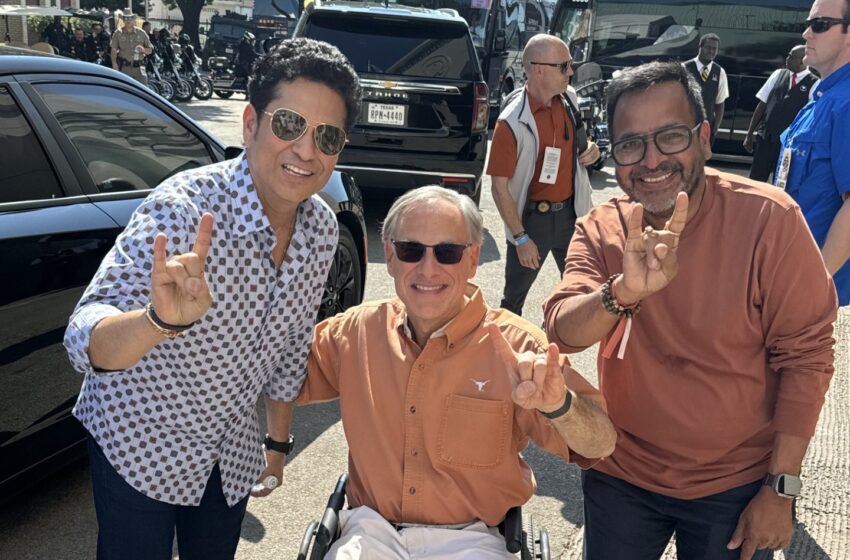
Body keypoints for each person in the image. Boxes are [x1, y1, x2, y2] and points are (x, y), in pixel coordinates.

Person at [63, 38, 361, 560]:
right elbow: (84, 337)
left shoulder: (320, 229)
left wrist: (276, 444)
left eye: (328, 136)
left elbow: (292, 346)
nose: (306, 151)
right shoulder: (184, 210)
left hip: (228, 448)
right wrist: (158, 320)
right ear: (250, 124)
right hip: (138, 439)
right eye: (288, 124)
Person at [543, 61, 837, 560]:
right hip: (623, 472)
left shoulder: (769, 220)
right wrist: (623, 293)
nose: (651, 160)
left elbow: (807, 360)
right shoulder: (603, 227)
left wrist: (780, 490)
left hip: (736, 482)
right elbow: (563, 329)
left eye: (670, 137)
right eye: (631, 143)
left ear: (703, 138)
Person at [297, 186, 617, 559]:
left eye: (447, 253)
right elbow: (276, 375)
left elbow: (600, 443)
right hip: (372, 531)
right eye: (410, 250)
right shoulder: (356, 332)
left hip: (473, 539)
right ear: (390, 256)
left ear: (473, 259)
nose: (428, 269)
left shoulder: (518, 347)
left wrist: (560, 405)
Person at [488, 34, 599, 316]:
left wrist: (592, 152)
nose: (571, 72)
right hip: (531, 222)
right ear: (538, 69)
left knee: (583, 291)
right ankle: (509, 357)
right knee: (513, 301)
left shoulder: (570, 100)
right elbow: (499, 188)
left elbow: (582, 148)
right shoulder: (511, 122)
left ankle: (551, 347)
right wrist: (521, 238)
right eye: (564, 66)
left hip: (571, 216)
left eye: (570, 65)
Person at [775, 0, 850, 306]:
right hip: (784, 274)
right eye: (808, 24)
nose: (806, 33)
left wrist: (814, 286)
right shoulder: (820, 100)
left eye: (819, 25)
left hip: (807, 291)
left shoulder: (845, 105)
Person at [744, 45, 818, 181]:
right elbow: (762, 104)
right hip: (766, 137)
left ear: (803, 62)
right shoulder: (778, 74)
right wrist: (749, 134)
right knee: (756, 179)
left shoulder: (814, 84)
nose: (787, 59)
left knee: (781, 181)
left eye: (791, 57)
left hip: (789, 144)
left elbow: (811, 119)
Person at [683, 33, 728, 144]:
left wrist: (715, 129)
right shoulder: (685, 68)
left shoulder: (720, 72)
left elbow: (720, 104)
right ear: (700, 47)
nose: (711, 51)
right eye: (708, 48)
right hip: (686, 127)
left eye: (714, 49)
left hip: (706, 130)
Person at [110, 13, 153, 84]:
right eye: (126, 19)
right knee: (125, 91)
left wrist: (143, 50)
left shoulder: (141, 33)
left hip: (139, 69)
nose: (128, 21)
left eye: (130, 19)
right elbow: (113, 50)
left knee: (141, 91)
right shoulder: (118, 33)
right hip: (125, 68)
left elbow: (150, 50)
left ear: (134, 20)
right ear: (123, 21)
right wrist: (114, 64)